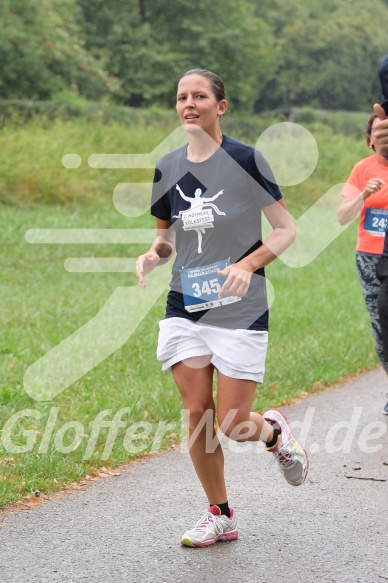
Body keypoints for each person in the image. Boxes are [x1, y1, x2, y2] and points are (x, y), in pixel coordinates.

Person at [136, 69, 309, 548]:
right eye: (182, 97)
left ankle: (273, 432)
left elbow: (285, 229)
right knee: (197, 413)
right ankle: (220, 514)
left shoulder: (245, 159)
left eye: (199, 96)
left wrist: (249, 265)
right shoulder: (168, 166)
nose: (189, 104)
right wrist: (154, 254)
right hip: (185, 303)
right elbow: (166, 234)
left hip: (238, 305)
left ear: (220, 105)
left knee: (233, 422)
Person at [338, 112, 388, 415]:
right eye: (377, 131)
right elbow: (342, 216)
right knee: (382, 328)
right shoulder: (362, 170)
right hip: (370, 259)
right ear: (369, 139)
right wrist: (363, 195)